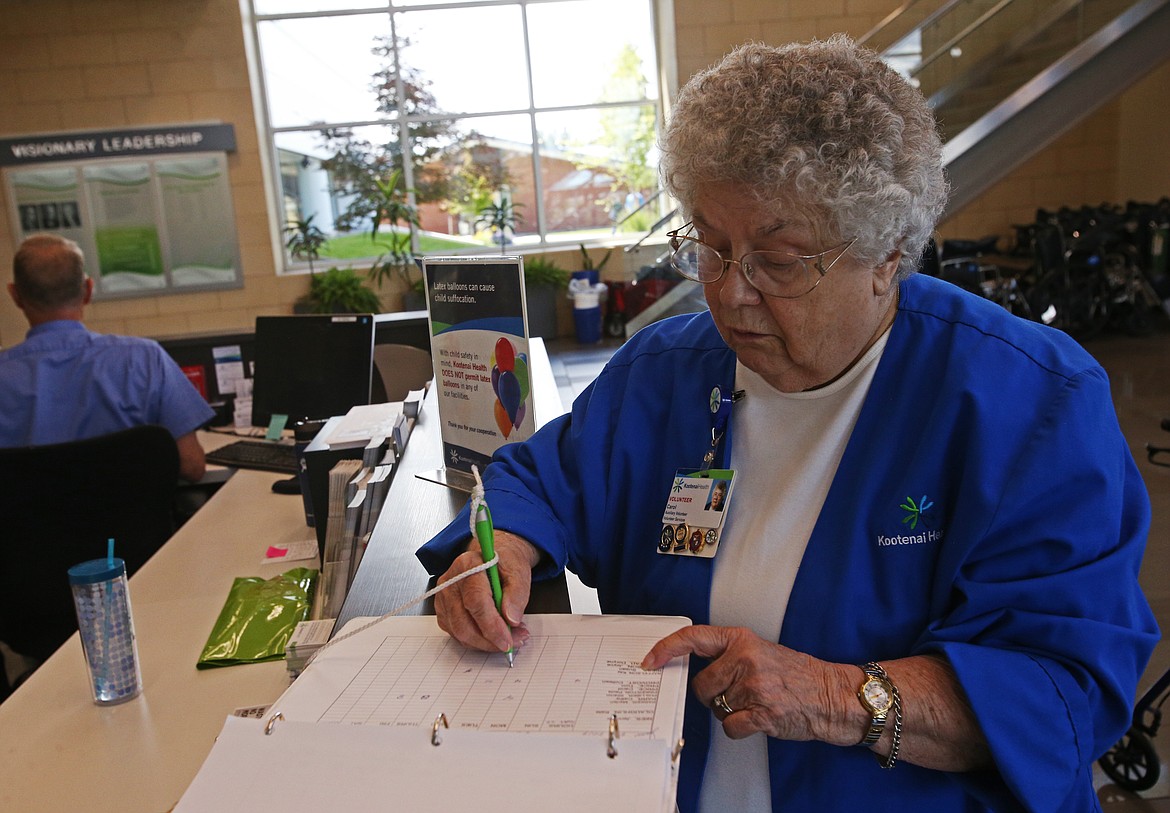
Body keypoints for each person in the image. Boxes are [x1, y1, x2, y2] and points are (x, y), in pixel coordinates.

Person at [417, 37, 1158, 812]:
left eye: (778, 260)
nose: (729, 293)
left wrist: (834, 695)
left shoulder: (1029, 403)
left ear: (888, 255)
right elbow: (546, 478)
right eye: (709, 245)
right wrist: (497, 555)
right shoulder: (667, 370)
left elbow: (1063, 684)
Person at [1, 234, 213, 482]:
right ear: (88, 290)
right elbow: (192, 466)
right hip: (133, 520)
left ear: (15, 296)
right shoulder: (145, 359)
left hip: (29, 521)